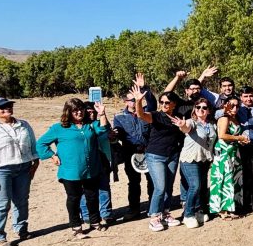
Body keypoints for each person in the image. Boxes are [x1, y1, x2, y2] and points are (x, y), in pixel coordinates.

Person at [36, 98, 110, 238]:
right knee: (74, 198)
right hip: (70, 171)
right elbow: (40, 144)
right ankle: (76, 227)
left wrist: (102, 114)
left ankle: (95, 221)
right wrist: (52, 155)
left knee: (92, 196)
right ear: (68, 112)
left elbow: (103, 130)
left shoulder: (90, 125)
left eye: (81, 109)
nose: (79, 112)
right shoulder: (58, 128)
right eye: (75, 110)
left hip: (91, 169)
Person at [0, 96, 39, 246]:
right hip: (1, 171)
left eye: (9, 106)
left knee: (22, 200)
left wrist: (35, 162)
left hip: (23, 167)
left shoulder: (23, 125)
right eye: (2, 107)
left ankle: (21, 229)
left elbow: (32, 144)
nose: (7, 109)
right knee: (1, 203)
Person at [132, 86, 185, 232]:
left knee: (168, 187)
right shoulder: (156, 115)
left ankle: (165, 213)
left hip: (172, 156)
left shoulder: (177, 117)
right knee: (160, 187)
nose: (164, 105)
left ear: (174, 104)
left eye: (167, 102)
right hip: (156, 156)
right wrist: (138, 101)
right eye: (162, 102)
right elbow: (141, 115)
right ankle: (154, 216)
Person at [113, 74, 155, 221]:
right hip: (130, 153)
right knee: (134, 182)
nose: (135, 101)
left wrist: (144, 88)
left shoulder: (147, 111)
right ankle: (134, 209)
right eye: (132, 99)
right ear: (126, 101)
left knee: (152, 180)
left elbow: (152, 102)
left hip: (149, 152)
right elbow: (118, 134)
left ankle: (153, 207)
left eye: (138, 98)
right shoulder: (119, 117)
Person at [172, 97, 217, 228]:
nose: (201, 110)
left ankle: (198, 210)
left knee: (202, 187)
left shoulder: (212, 124)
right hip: (190, 159)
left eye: (204, 108)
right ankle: (188, 214)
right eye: (198, 107)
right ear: (194, 109)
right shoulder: (192, 122)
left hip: (204, 159)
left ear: (208, 110)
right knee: (195, 186)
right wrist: (182, 125)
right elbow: (186, 128)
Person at [210, 98, 247, 219]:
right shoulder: (224, 117)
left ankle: (231, 207)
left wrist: (240, 141)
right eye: (232, 106)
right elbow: (222, 135)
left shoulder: (234, 118)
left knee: (232, 179)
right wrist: (239, 138)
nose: (235, 108)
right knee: (223, 178)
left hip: (233, 152)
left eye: (237, 106)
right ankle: (221, 209)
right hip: (224, 152)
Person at [79, 101, 115, 227]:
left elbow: (111, 137)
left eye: (93, 111)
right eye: (89, 112)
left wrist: (113, 136)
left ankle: (106, 214)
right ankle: (86, 215)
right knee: (85, 190)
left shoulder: (102, 122)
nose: (92, 114)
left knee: (104, 187)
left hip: (103, 159)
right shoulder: (81, 127)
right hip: (87, 162)